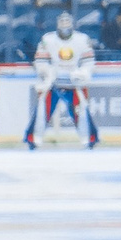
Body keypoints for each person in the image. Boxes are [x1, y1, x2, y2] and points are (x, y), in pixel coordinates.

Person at [27, 10, 99, 149]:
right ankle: (33, 139)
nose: (65, 25)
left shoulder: (82, 39)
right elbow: (41, 62)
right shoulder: (48, 39)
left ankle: (89, 139)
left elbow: (89, 62)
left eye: (67, 22)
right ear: (57, 24)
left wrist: (82, 73)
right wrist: (48, 73)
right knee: (42, 111)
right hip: (52, 83)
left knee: (81, 111)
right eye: (62, 22)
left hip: (75, 83)